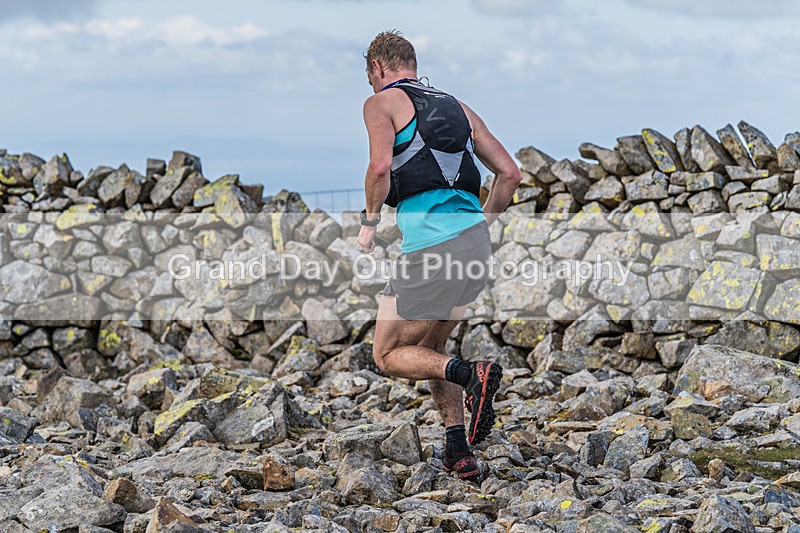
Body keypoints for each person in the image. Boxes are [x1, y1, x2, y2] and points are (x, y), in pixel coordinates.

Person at [357, 30, 521, 482]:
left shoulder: (380, 103)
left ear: (377, 68)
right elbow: (509, 174)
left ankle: (473, 374)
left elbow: (379, 167)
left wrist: (370, 223)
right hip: (475, 248)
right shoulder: (460, 108)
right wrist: (481, 224)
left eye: (370, 77)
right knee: (430, 348)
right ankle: (457, 450)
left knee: (388, 353)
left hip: (430, 247)